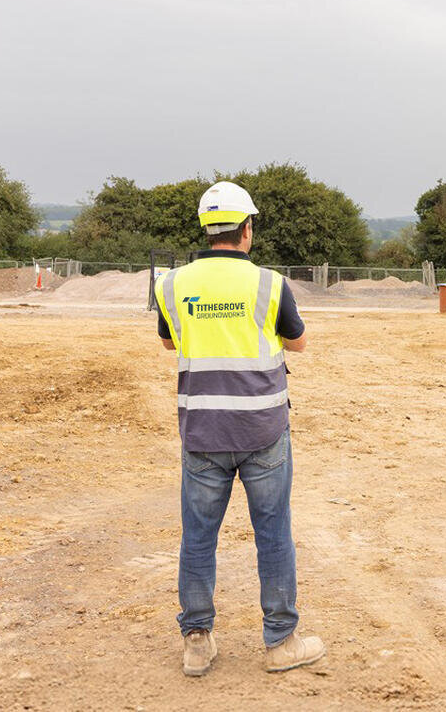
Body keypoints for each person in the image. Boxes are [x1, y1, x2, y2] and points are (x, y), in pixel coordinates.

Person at [154, 181, 325, 677]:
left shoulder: (172, 284)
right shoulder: (270, 284)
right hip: (262, 430)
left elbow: (169, 344)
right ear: (247, 230)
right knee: (273, 534)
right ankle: (280, 643)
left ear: (208, 230)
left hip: (202, 432)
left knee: (198, 538)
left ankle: (197, 641)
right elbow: (298, 344)